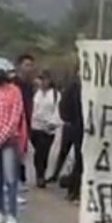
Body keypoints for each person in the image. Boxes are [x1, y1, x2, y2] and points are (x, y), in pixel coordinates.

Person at [0, 58, 28, 223]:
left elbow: (15, 118)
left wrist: (1, 137)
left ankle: (12, 215)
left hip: (9, 141)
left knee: (11, 179)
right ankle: (0, 212)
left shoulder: (15, 92)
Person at [47, 59, 83, 202]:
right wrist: (70, 121)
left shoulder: (87, 87)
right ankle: (72, 189)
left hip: (80, 127)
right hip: (75, 127)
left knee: (79, 160)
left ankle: (73, 190)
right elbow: (64, 108)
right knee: (74, 158)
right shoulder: (73, 87)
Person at [31, 71, 60, 188]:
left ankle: (41, 176)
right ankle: (39, 173)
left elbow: (58, 110)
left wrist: (53, 122)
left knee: (44, 152)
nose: (44, 83)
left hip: (48, 128)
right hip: (35, 126)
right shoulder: (37, 94)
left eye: (46, 80)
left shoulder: (55, 95)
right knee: (37, 153)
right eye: (42, 80)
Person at [14, 53, 36, 192]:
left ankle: (20, 178)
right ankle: (14, 179)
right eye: (26, 65)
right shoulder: (14, 84)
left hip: (26, 121)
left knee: (22, 152)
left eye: (31, 65)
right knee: (14, 151)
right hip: (15, 120)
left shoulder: (30, 85)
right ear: (19, 66)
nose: (29, 68)